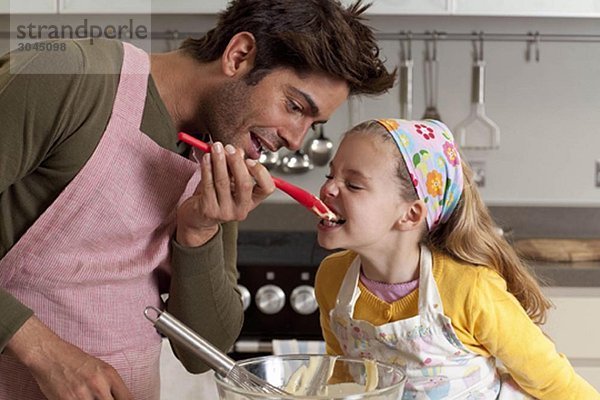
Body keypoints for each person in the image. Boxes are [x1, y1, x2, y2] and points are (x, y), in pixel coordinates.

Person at [0, 0, 396, 398]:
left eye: (313, 124)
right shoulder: (71, 77)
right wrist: (43, 352)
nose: (296, 139)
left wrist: (199, 231)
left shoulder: (222, 153)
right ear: (239, 56)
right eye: (294, 107)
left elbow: (201, 353)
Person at [314, 119, 600, 399]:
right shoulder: (332, 278)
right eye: (330, 176)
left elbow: (552, 380)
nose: (327, 189)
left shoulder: (470, 289)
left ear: (410, 215)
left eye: (353, 184)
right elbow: (342, 374)